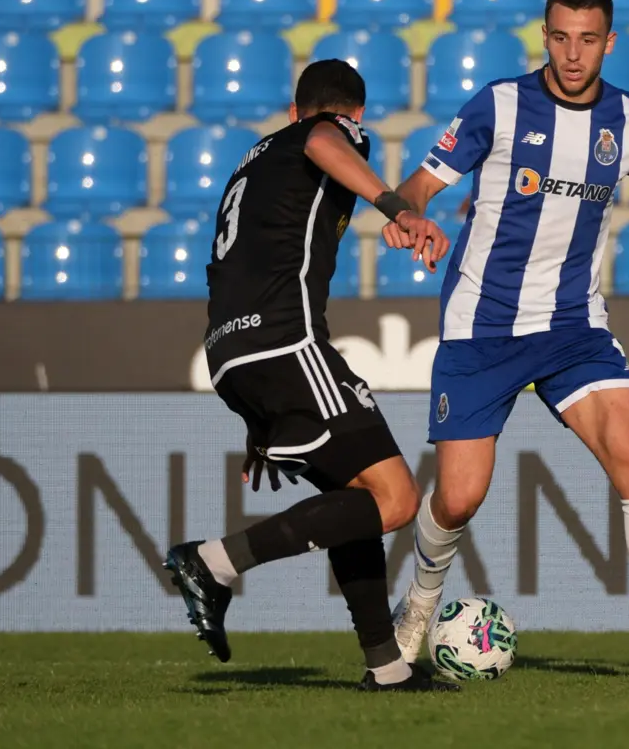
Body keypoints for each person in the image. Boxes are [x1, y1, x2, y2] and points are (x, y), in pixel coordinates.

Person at [381, 0, 629, 682]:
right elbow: (421, 183)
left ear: (609, 41)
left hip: (575, 325)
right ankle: (415, 612)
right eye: (561, 37)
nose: (573, 54)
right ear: (545, 36)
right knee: (458, 497)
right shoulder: (500, 105)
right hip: (483, 327)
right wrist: (409, 213)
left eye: (588, 39)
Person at [162, 59, 459, 693]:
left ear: (291, 109)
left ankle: (387, 668)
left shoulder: (251, 162)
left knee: (356, 500)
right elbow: (326, 140)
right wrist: (393, 207)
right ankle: (214, 562)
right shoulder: (329, 132)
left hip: (232, 352)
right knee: (396, 499)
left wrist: (257, 412)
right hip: (287, 341)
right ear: (351, 115)